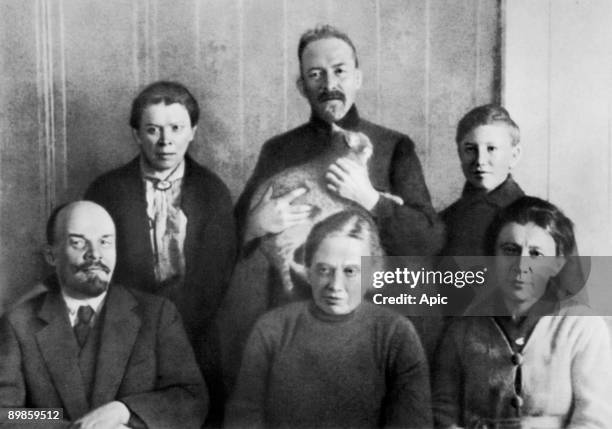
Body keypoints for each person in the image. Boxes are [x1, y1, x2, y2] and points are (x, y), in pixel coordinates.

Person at [84, 81, 236, 423]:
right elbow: (95, 270)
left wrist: (170, 332)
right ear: (137, 134)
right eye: (152, 129)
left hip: (195, 339)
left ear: (193, 132)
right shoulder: (106, 191)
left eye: (176, 128)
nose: (165, 141)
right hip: (122, 338)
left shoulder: (213, 193)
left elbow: (215, 279)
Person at [0, 201, 206, 428]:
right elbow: (8, 414)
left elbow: (191, 398)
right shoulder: (18, 323)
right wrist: (67, 426)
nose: (95, 254)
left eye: (105, 242)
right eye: (78, 243)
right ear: (51, 255)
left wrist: (125, 411)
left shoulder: (157, 314)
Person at [225, 210, 432, 428]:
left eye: (350, 271)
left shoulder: (396, 334)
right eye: (324, 270)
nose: (335, 285)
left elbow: (413, 423)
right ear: (308, 269)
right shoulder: (272, 329)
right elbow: (244, 416)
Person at [432, 196, 612, 428]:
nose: (520, 266)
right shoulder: (462, 329)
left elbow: (595, 419)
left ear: (557, 263)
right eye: (510, 250)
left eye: (536, 254)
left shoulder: (582, 328)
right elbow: (441, 412)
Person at [440, 104, 524, 257]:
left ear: (514, 155)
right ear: (459, 153)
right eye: (470, 149)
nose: (480, 160)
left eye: (491, 149)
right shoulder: (443, 221)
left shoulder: (539, 219)